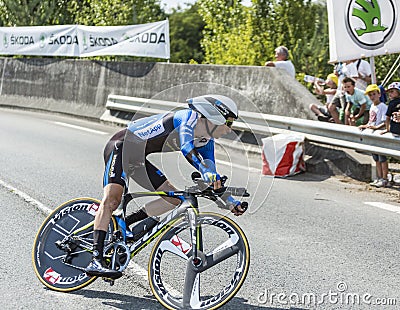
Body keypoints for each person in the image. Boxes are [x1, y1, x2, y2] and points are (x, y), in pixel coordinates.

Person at [84, 94, 247, 279]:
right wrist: (204, 170)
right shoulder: (186, 118)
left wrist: (229, 201)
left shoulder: (205, 141)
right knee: (112, 199)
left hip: (138, 159)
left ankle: (123, 225)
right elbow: (186, 147)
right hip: (121, 147)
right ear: (214, 117)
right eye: (229, 123)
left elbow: (211, 174)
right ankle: (95, 259)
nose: (229, 130)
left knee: (173, 199)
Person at [358, 84, 388, 187]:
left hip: (379, 134)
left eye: (374, 94)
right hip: (373, 134)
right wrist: (366, 126)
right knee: (376, 158)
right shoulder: (372, 106)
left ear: (379, 94)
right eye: (370, 95)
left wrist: (376, 128)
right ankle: (379, 177)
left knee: (382, 158)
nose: (372, 97)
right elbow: (372, 121)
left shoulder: (383, 106)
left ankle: (384, 178)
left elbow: (385, 121)